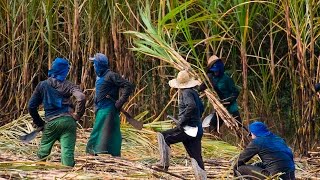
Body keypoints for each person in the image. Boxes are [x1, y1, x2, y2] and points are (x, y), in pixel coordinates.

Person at [28, 57, 86, 167]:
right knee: (67, 153)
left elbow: (31, 107)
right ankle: (68, 174)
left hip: (51, 122)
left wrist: (40, 123)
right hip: (68, 122)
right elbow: (81, 97)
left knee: (43, 151)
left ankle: (38, 172)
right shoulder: (69, 85)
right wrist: (77, 115)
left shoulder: (42, 85)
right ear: (65, 71)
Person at [154, 70, 207, 180]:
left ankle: (164, 164)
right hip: (197, 129)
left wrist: (182, 121)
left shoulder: (186, 93)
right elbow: (201, 108)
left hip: (188, 129)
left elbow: (191, 106)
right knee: (196, 157)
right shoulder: (194, 93)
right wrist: (194, 119)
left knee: (163, 136)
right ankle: (202, 178)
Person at [86, 53, 134, 157]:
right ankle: (109, 155)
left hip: (108, 109)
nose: (93, 66)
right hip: (101, 108)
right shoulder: (100, 76)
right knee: (109, 131)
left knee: (100, 132)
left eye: (95, 64)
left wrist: (120, 101)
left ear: (100, 65)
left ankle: (95, 154)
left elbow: (128, 86)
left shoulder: (111, 75)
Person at [199, 55, 241, 132]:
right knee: (213, 126)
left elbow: (235, 92)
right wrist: (205, 82)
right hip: (220, 106)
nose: (216, 72)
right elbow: (202, 87)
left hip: (231, 106)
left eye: (217, 70)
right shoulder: (211, 78)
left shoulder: (226, 79)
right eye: (214, 71)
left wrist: (228, 100)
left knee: (238, 126)